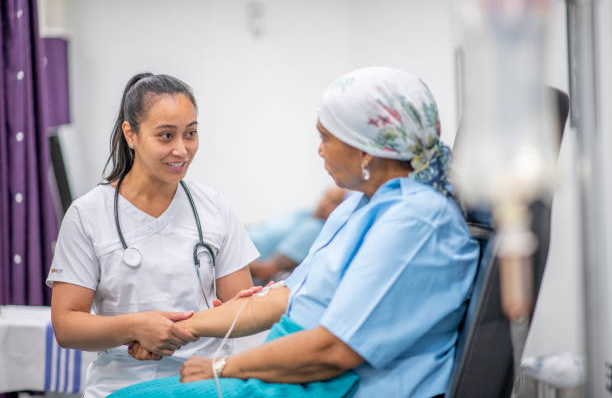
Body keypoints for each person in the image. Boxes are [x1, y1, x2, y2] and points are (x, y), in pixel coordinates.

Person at [119, 67, 480, 398]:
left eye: (326, 137)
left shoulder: (415, 221)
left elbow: (332, 350)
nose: (319, 150)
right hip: (294, 371)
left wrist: (222, 366)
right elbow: (288, 297)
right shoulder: (361, 205)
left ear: (365, 148)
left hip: (335, 384)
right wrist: (178, 329)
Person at [46, 73, 262, 398]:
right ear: (130, 133)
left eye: (190, 133)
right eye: (166, 136)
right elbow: (66, 326)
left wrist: (176, 331)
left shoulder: (214, 208)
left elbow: (243, 311)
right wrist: (135, 328)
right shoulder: (87, 215)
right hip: (120, 385)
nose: (181, 150)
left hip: (203, 383)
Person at [248, 187, 346, 283]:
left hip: (244, 264)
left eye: (334, 202)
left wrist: (237, 258)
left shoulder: (314, 230)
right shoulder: (304, 213)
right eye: (326, 197)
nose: (325, 204)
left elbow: (266, 271)